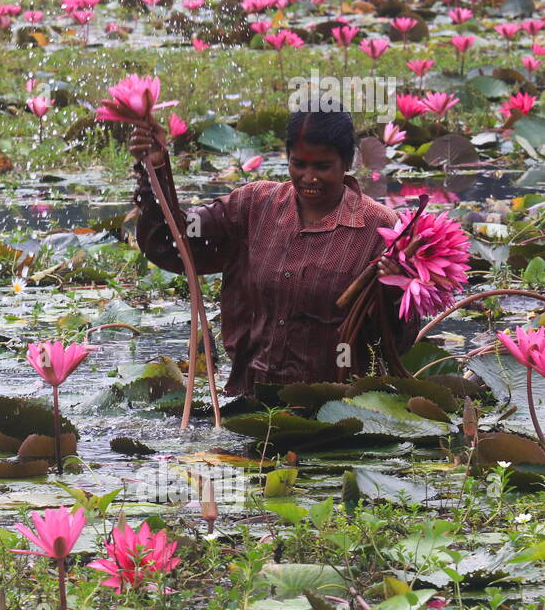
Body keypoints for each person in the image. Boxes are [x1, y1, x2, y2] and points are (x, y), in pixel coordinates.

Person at [128, 105, 417, 396]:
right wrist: (155, 170)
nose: (309, 177)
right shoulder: (254, 205)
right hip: (251, 397)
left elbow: (399, 342)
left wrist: (395, 292)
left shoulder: (381, 228)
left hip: (338, 407)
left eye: (322, 166)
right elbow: (174, 240)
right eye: (299, 164)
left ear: (346, 163)